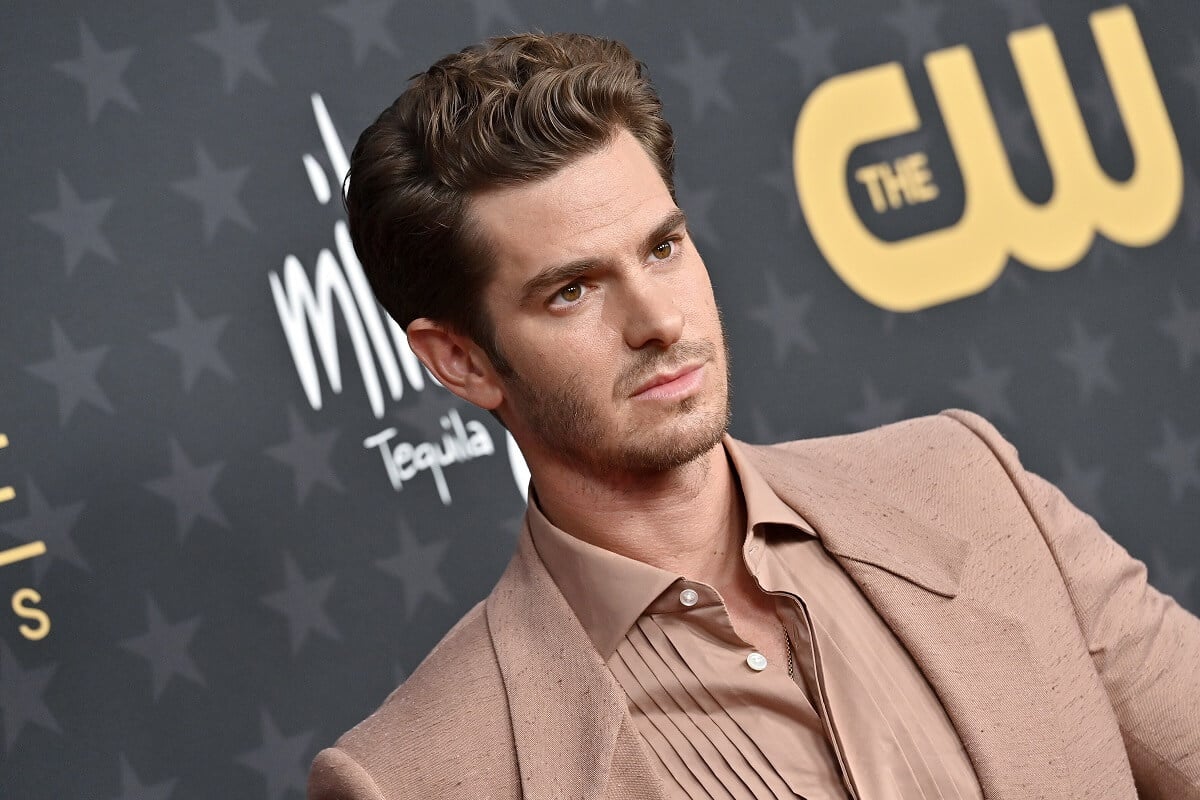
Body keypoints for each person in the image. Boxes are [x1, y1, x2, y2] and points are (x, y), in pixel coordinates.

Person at [308, 32, 1200, 800]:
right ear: (459, 360)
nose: (660, 320)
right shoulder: (414, 778)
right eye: (572, 291)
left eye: (663, 248)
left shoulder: (968, 486)